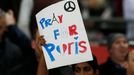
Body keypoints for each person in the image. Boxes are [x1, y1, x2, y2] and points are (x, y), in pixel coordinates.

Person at [0, 9, 37, 75]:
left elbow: (32, 50)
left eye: (2, 27)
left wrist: (12, 27)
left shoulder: (12, 50)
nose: (3, 31)